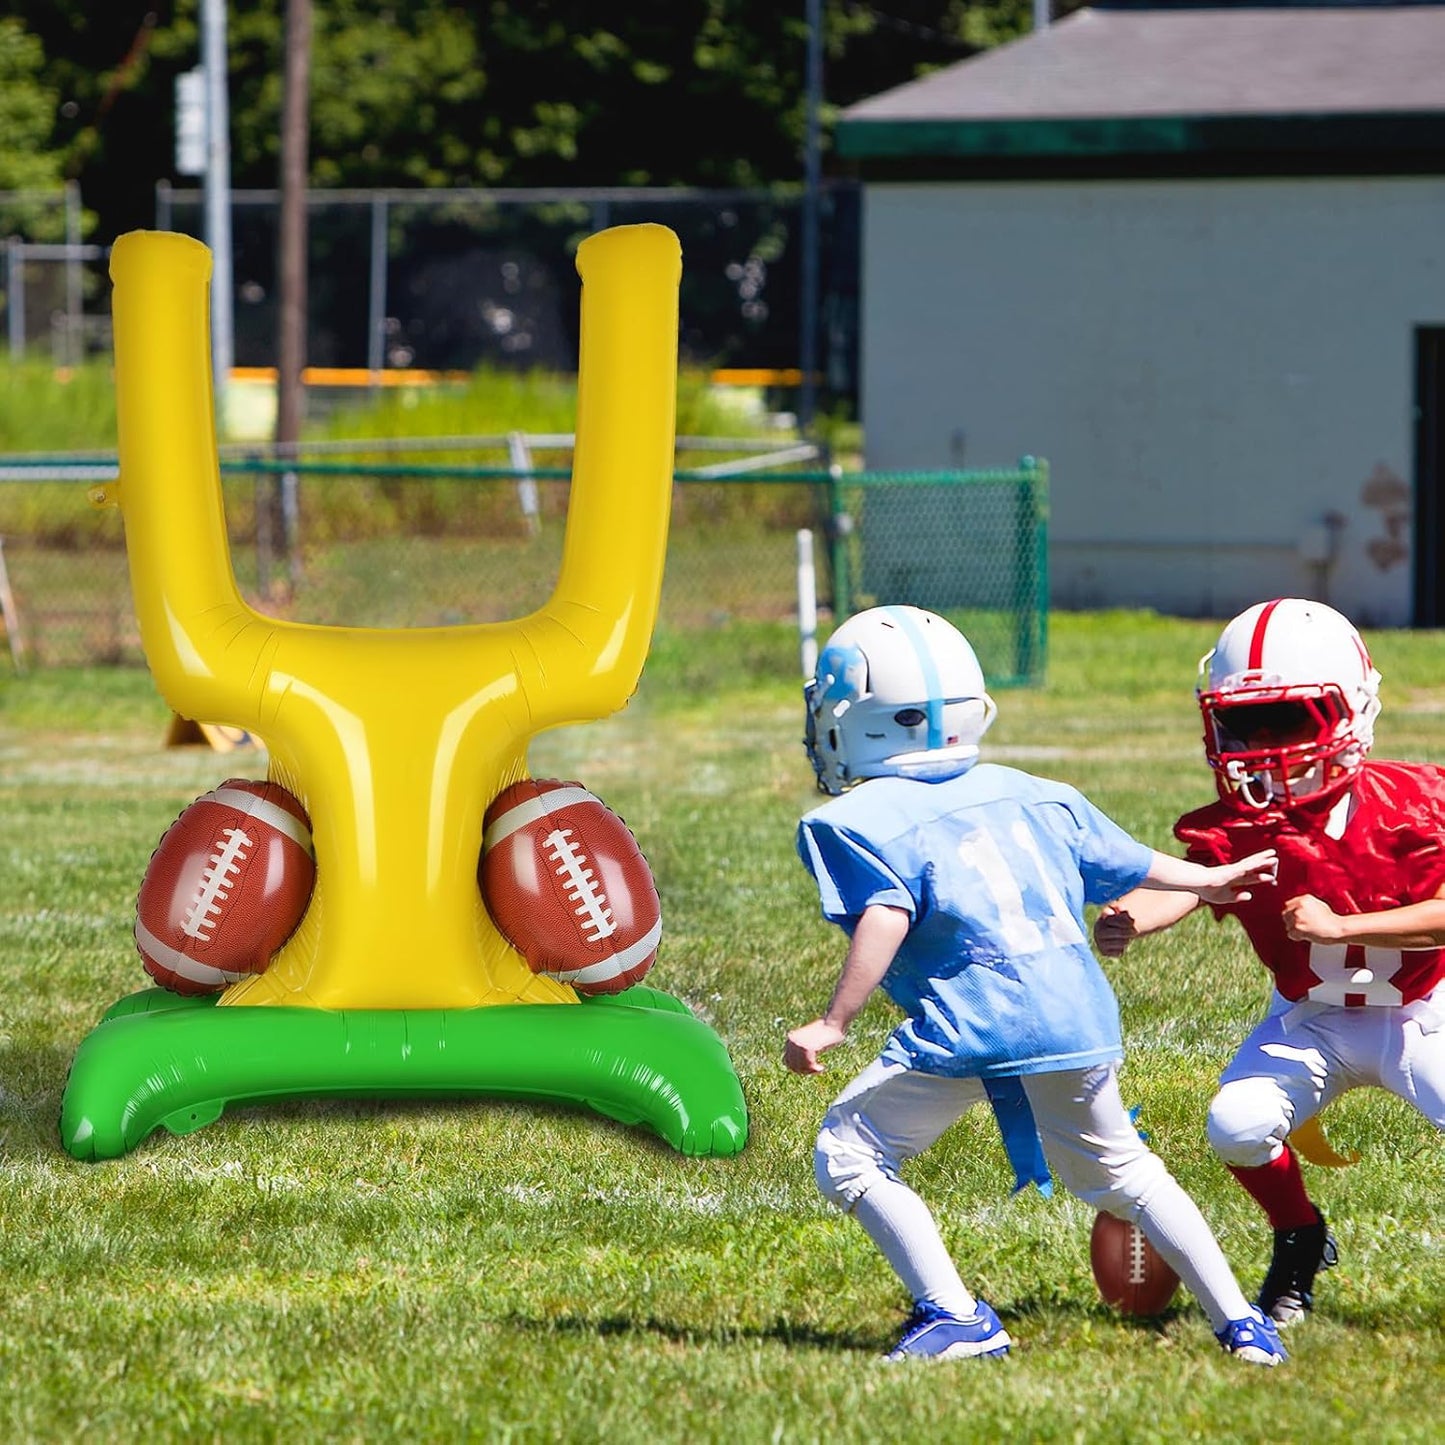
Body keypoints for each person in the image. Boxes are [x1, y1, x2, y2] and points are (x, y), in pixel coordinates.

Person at [783, 604, 1287, 1366]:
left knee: (847, 1152)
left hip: (971, 1022)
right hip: (1075, 1017)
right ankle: (1241, 1323)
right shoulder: (1035, 789)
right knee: (1126, 1174)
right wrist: (1210, 877)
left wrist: (834, 1020)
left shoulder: (856, 818)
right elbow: (1131, 858)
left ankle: (956, 1314)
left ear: (857, 719)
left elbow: (884, 914)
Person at [1095, 597, 1445, 1327]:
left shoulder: (1414, 802)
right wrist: (1130, 914)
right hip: (1312, 1017)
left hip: (1423, 1011)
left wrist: (1345, 924)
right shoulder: (1242, 825)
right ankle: (1299, 1236)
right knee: (1235, 1123)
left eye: (1284, 718)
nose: (1260, 743)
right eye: (1240, 722)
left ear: (1351, 711)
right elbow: (1192, 885)